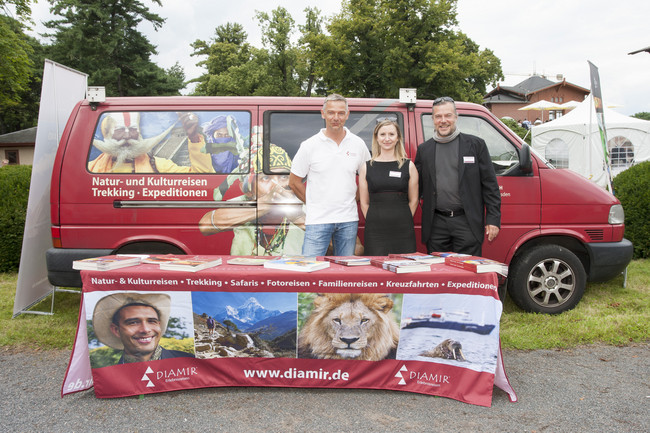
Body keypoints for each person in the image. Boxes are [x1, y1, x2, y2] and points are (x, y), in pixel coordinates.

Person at [414, 97, 501, 256]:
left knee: (468, 273)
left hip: (467, 222)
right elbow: (415, 187)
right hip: (436, 224)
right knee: (438, 273)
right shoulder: (424, 150)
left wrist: (493, 220)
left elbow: (490, 186)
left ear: (456, 117)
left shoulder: (475, 145)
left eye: (448, 115)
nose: (443, 120)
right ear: (433, 119)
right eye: (438, 116)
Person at [289, 94, 370, 256]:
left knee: (344, 271)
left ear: (347, 115)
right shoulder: (309, 145)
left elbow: (367, 179)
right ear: (323, 113)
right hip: (318, 220)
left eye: (341, 113)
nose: (336, 117)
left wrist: (352, 201)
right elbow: (294, 182)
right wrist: (314, 204)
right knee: (309, 269)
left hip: (348, 220)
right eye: (331, 112)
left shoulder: (358, 144)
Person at [199, 143, 305, 256]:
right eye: (265, 178)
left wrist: (299, 217)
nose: (277, 186)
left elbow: (326, 246)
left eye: (283, 177)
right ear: (249, 190)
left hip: (289, 273)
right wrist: (262, 206)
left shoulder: (302, 205)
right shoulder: (243, 202)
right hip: (245, 272)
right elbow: (205, 226)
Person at [359, 120, 418, 255]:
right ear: (376, 138)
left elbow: (414, 200)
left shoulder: (409, 166)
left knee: (404, 268)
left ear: (397, 138)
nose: (387, 138)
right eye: (382, 134)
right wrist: (375, 220)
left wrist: (403, 218)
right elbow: (364, 202)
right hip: (375, 231)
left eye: (391, 134)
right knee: (376, 270)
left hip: (403, 228)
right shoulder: (366, 167)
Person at [88, 112, 215, 173]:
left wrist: (193, 137)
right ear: (106, 134)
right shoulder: (90, 169)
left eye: (132, 130)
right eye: (120, 130)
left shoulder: (159, 165)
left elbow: (203, 177)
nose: (127, 135)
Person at [92, 293, 195, 364]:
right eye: (133, 323)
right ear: (116, 330)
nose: (145, 329)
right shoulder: (111, 377)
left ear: (159, 325)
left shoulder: (190, 362)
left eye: (151, 321)